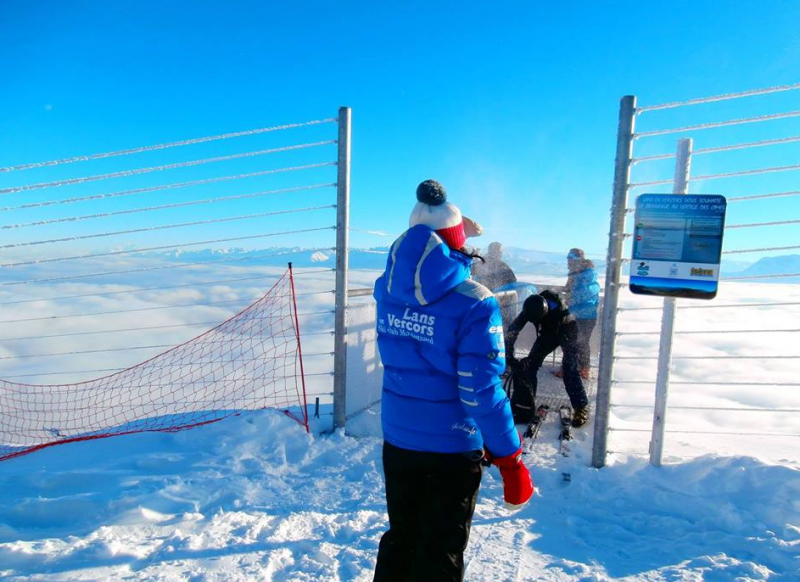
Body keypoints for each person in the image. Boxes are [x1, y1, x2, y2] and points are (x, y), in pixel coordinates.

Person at [372, 180, 533, 582]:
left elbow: (420, 249)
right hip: (451, 448)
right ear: (455, 242)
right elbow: (480, 390)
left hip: (399, 439)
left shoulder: (388, 290)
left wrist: (453, 230)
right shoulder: (475, 302)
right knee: (439, 552)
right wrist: (511, 460)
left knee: (402, 539)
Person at [505, 290, 590, 428]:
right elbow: (513, 331)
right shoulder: (532, 307)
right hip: (547, 332)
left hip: (567, 329)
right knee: (529, 366)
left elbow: (554, 334)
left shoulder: (559, 312)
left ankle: (581, 407)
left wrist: (534, 355)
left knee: (569, 368)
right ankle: (527, 402)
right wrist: (509, 356)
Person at [562, 248, 600, 380]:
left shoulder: (587, 274)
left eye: (570, 258)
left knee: (581, 343)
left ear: (577, 260)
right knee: (571, 342)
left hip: (586, 316)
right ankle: (572, 368)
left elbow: (585, 293)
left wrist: (570, 297)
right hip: (576, 313)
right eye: (568, 258)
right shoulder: (575, 274)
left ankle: (583, 369)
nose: (568, 261)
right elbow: (569, 291)